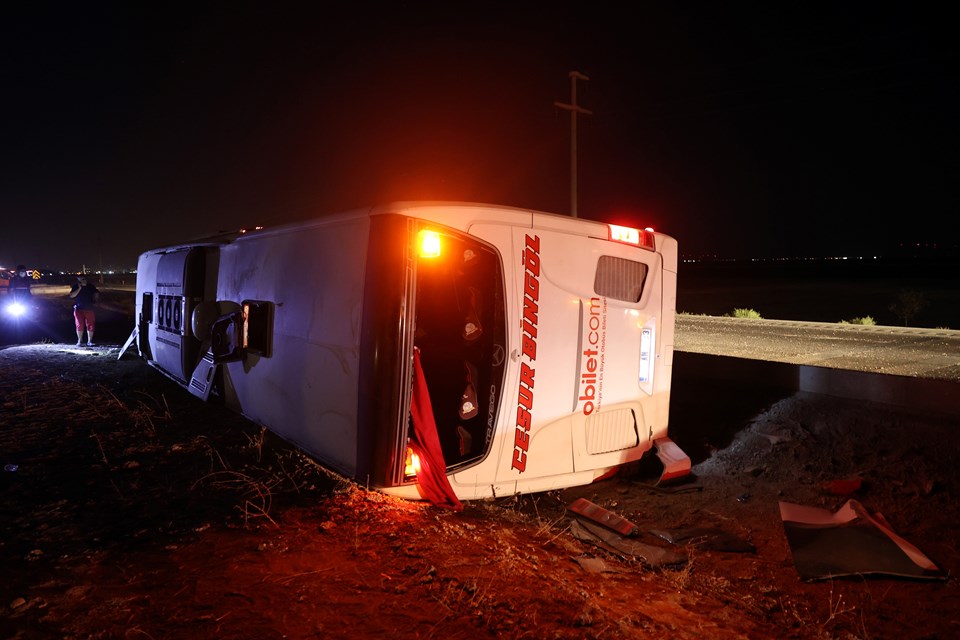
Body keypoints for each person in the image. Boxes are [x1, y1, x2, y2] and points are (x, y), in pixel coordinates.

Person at [69, 275, 99, 346]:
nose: (82, 281)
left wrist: (96, 301)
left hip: (89, 308)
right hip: (78, 309)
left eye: (83, 279)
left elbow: (96, 294)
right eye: (80, 280)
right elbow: (71, 295)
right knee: (79, 325)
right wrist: (79, 289)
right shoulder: (76, 286)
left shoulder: (91, 286)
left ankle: (90, 341)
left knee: (90, 325)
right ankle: (80, 341)